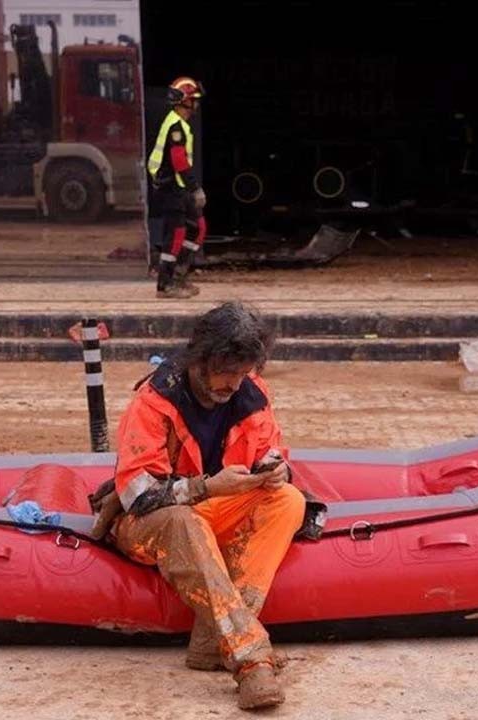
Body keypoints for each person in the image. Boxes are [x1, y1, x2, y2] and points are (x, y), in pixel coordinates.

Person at [94, 301, 304, 710]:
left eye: (243, 372)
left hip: (212, 508)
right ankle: (250, 659)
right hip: (149, 522)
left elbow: (272, 449)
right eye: (228, 372)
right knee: (182, 521)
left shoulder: (252, 393)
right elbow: (138, 496)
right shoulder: (155, 400)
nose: (234, 383)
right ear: (201, 360)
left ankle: (212, 640)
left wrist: (276, 469)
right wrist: (206, 487)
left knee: (288, 500)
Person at [147, 76, 207, 299]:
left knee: (198, 228)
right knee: (177, 234)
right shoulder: (175, 126)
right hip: (171, 188)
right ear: (184, 101)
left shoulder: (180, 124)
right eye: (194, 99)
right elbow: (179, 161)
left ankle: (180, 276)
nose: (196, 104)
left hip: (179, 189)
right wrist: (195, 189)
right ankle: (165, 284)